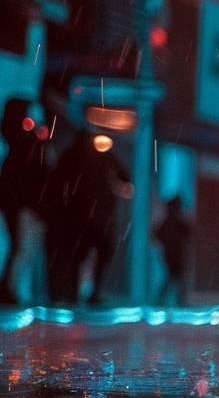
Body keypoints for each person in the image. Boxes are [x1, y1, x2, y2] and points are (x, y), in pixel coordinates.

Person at [48, 134, 130, 304]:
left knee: (85, 254)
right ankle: (79, 292)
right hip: (84, 216)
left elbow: (124, 176)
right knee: (82, 254)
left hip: (89, 216)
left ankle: (79, 293)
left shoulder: (87, 155)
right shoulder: (84, 156)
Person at [0, 99, 47, 303]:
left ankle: (9, 288)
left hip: (19, 201)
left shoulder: (20, 141)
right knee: (21, 246)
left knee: (20, 246)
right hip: (21, 202)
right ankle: (7, 288)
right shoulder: (23, 143)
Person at [155, 195, 191, 305]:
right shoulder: (174, 222)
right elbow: (189, 233)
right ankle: (177, 301)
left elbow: (156, 235)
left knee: (174, 277)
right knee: (175, 277)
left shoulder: (170, 222)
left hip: (172, 254)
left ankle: (164, 300)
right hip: (173, 255)